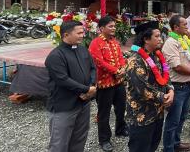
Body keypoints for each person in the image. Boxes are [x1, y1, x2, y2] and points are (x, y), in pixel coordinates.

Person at [45, 20, 97, 152]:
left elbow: (92, 68)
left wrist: (91, 86)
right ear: (66, 35)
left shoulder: (83, 49)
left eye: (83, 32)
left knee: (79, 138)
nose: (82, 35)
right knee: (60, 143)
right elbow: (63, 80)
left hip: (83, 102)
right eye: (79, 33)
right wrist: (86, 89)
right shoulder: (56, 56)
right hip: (64, 106)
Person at [125, 21, 174, 152]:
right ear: (146, 39)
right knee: (140, 148)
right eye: (157, 36)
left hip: (157, 113)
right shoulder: (135, 60)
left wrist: (171, 90)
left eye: (160, 36)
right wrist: (164, 97)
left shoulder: (156, 55)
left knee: (153, 145)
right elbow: (142, 89)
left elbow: (165, 76)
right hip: (142, 116)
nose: (160, 39)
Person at [162, 15, 190, 152]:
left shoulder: (185, 39)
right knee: (173, 120)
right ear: (175, 27)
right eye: (184, 24)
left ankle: (176, 143)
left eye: (187, 24)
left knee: (182, 118)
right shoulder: (170, 42)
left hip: (188, 85)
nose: (187, 26)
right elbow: (177, 66)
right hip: (177, 87)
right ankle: (168, 148)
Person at [88, 16, 128, 152]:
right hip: (104, 83)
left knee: (121, 108)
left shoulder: (114, 42)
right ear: (101, 28)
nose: (113, 28)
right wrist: (117, 70)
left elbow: (121, 57)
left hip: (119, 81)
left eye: (114, 26)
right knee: (104, 113)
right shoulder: (95, 43)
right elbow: (99, 62)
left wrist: (122, 69)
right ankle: (104, 139)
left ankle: (120, 129)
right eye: (110, 26)